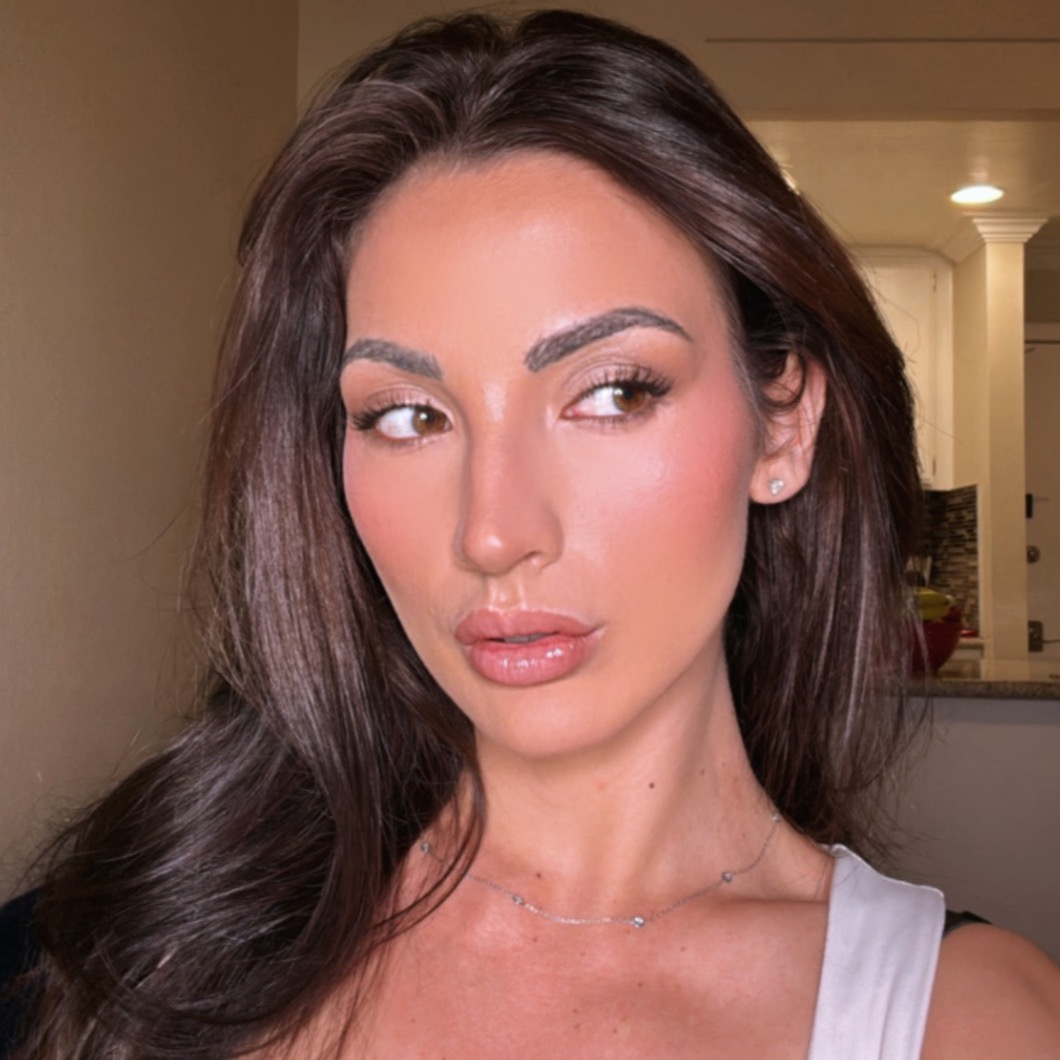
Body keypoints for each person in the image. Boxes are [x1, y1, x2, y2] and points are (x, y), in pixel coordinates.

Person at [5, 9, 1059, 1059]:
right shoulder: (120, 954)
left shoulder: (968, 1023)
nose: (493, 533)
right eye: (407, 415)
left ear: (782, 423)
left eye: (613, 392)